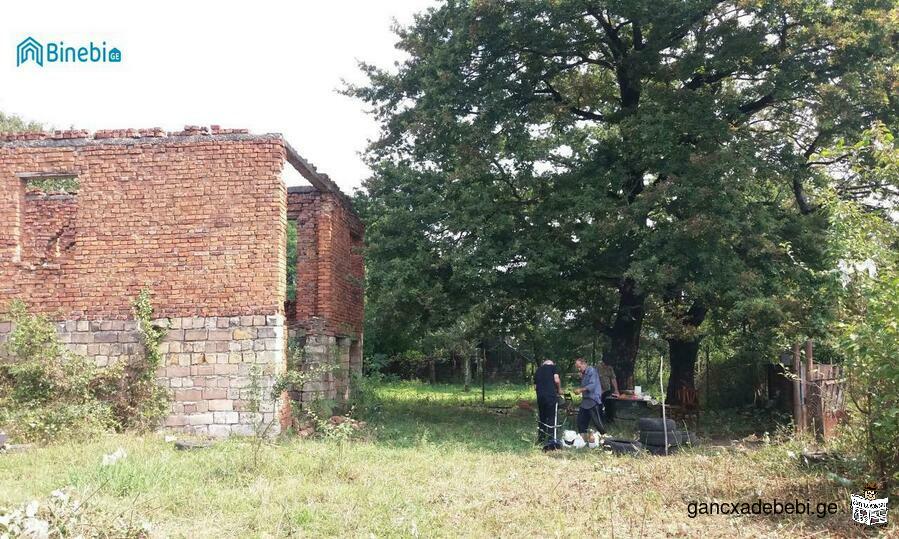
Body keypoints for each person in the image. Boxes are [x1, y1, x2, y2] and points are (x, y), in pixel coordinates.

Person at [572, 357, 605, 440]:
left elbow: (592, 385)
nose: (579, 369)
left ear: (584, 364)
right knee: (581, 420)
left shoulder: (592, 371)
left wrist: (580, 390)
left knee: (597, 422)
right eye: (577, 368)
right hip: (585, 400)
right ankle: (582, 438)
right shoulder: (584, 374)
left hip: (593, 399)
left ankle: (604, 437)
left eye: (579, 367)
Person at [533, 358, 562, 444]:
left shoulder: (538, 370)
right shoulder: (553, 368)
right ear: (551, 364)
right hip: (550, 396)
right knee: (551, 417)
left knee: (542, 417)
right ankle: (551, 439)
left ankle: (541, 439)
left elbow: (535, 387)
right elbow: (556, 380)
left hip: (540, 397)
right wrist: (559, 389)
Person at [597, 358, 620, 423]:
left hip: (607, 390)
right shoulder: (597, 367)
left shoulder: (610, 368)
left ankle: (609, 419)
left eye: (607, 365)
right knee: (599, 405)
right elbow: (594, 379)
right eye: (605, 365)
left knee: (609, 403)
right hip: (598, 390)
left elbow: (613, 379)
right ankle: (599, 421)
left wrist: (616, 390)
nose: (606, 367)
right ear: (603, 363)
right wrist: (599, 389)